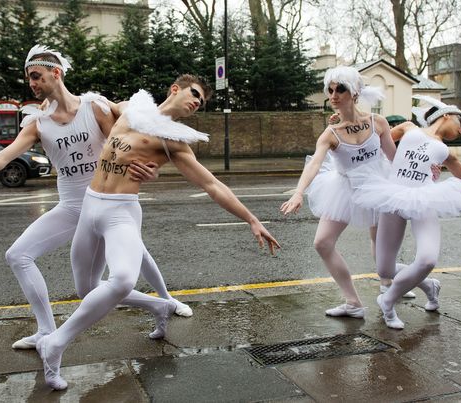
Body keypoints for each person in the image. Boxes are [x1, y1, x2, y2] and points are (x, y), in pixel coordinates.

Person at [0, 45, 192, 351]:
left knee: (134, 258)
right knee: (19, 256)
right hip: (71, 208)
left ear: (56, 73)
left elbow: (129, 140)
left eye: (36, 76)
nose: (32, 84)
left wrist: (150, 168)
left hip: (107, 203)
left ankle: (166, 300)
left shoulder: (95, 108)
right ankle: (46, 330)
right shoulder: (38, 122)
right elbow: (1, 158)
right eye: (29, 79)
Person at [35, 74, 281, 390]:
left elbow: (211, 185)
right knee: (87, 290)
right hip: (89, 206)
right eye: (194, 93)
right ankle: (160, 306)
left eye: (201, 102)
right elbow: (87, 103)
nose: (197, 102)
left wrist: (251, 219)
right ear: (174, 89)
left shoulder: (173, 142)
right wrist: (52, 99)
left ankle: (55, 344)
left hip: (120, 212)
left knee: (121, 280)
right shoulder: (131, 107)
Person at [352, 95, 461, 329]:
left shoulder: (446, 153)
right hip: (393, 197)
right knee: (384, 269)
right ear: (446, 115)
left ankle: (388, 301)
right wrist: (342, 123)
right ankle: (429, 286)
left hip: (424, 201)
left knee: (427, 260)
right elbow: (371, 147)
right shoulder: (408, 128)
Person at [280, 66, 400, 319]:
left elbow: (394, 158)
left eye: (340, 89)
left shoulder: (377, 122)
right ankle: (353, 302)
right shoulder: (330, 133)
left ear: (355, 93)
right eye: (330, 90)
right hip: (345, 189)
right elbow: (314, 163)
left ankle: (394, 286)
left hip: (379, 187)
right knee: (322, 243)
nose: (333, 95)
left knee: (380, 247)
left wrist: (418, 176)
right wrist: (299, 192)